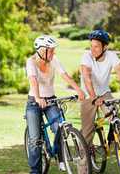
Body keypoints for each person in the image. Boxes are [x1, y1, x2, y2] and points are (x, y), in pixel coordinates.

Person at [26, 35, 85, 174]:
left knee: (59, 127)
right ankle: (35, 172)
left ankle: (61, 158)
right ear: (42, 50)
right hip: (34, 101)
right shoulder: (31, 62)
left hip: (51, 100)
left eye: (53, 50)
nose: (53, 53)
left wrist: (78, 90)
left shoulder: (54, 60)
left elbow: (64, 75)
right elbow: (33, 80)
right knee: (35, 139)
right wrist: (38, 97)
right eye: (51, 50)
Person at [80, 29, 120, 144]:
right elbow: (87, 79)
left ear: (105, 47)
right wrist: (94, 97)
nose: (92, 49)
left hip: (104, 93)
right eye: (91, 46)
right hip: (89, 95)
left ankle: (118, 147)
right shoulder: (86, 57)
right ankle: (84, 161)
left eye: (96, 46)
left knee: (117, 120)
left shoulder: (111, 56)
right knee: (87, 132)